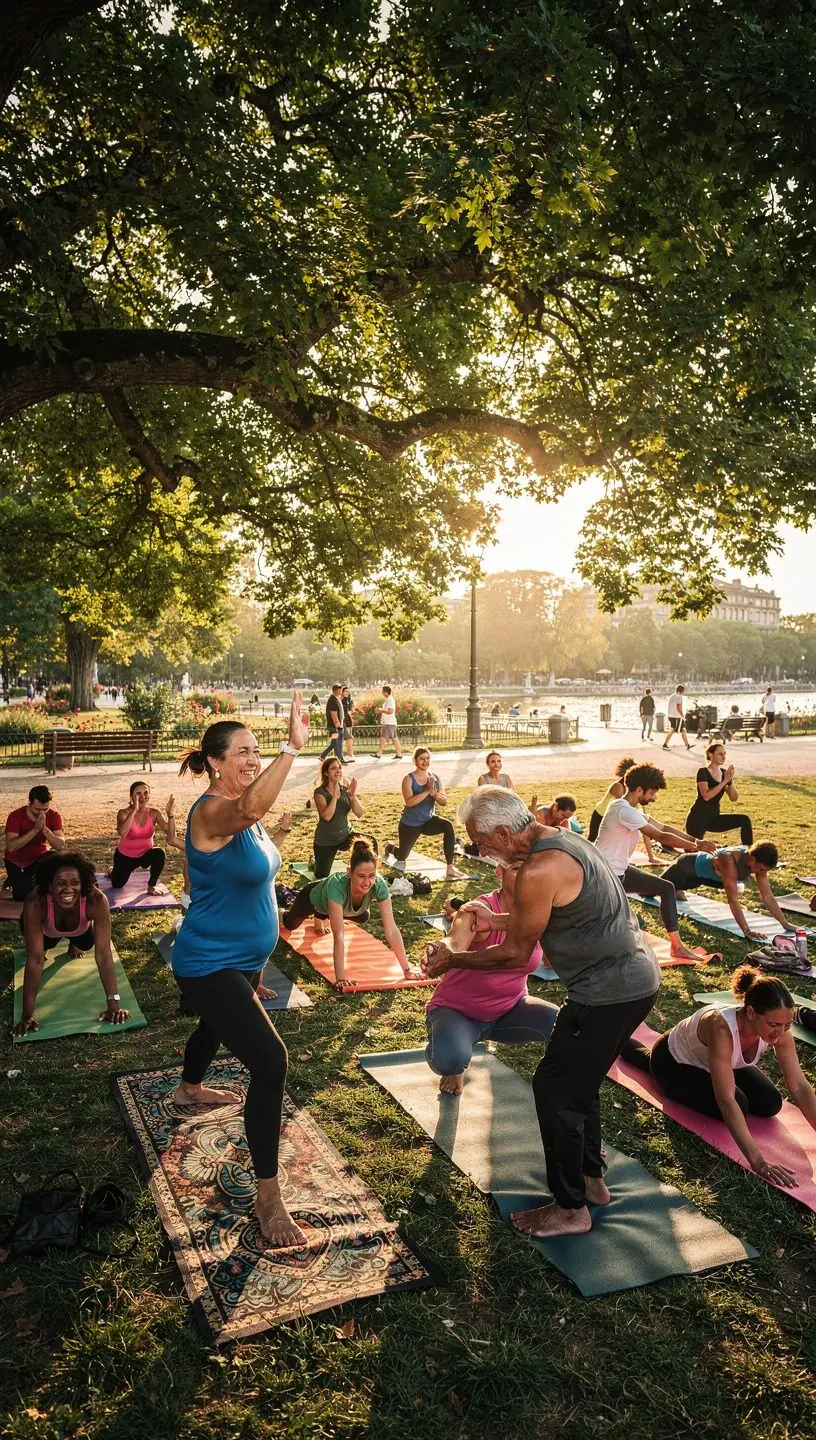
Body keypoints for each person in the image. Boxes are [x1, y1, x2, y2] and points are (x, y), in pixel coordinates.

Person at [423, 786, 661, 1238]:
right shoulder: (563, 839)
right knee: (577, 1081)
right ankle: (591, 1182)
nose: (479, 850)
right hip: (633, 982)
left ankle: (571, 1208)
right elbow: (548, 914)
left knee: (556, 1090)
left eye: (479, 840)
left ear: (500, 831)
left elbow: (515, 956)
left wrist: (453, 959)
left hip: (608, 992)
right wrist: (493, 922)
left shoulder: (538, 867)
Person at [171, 696, 309, 1249]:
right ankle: (268, 1195)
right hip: (206, 962)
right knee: (270, 1058)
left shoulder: (244, 811)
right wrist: (292, 748)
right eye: (243, 752)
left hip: (244, 958)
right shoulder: (211, 812)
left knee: (214, 1026)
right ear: (214, 762)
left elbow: (254, 828)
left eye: (257, 750)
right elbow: (249, 810)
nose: (252, 759)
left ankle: (188, 1088)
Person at [623, 967, 816, 1187]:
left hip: (715, 1061)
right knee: (739, 1105)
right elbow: (726, 1100)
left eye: (787, 1025)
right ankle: (622, 1042)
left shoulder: (778, 1028)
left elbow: (799, 1086)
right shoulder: (721, 1027)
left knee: (770, 1103)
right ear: (751, 1013)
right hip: (672, 1062)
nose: (780, 1033)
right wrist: (758, 1161)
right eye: (774, 1025)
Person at [426, 862, 558, 1095]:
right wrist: (442, 948)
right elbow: (455, 940)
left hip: (509, 1010)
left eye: (531, 868)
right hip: (457, 1011)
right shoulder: (478, 909)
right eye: (517, 868)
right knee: (450, 1059)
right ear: (499, 871)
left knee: (561, 1023)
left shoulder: (539, 911)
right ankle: (452, 1056)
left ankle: (557, 1088)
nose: (525, 875)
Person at [595, 763, 715, 962]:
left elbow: (664, 826)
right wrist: (695, 848)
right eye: (651, 792)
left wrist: (696, 841)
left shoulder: (627, 808)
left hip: (618, 870)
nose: (654, 797)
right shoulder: (624, 811)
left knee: (667, 888)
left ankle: (676, 947)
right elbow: (660, 836)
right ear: (639, 789)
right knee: (624, 924)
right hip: (605, 874)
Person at [12, 851, 129, 1036]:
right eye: (60, 883)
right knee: (39, 951)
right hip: (46, 931)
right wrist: (27, 1016)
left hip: (80, 931)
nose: (68, 889)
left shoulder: (96, 900)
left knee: (85, 944)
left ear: (83, 884)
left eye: (75, 882)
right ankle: (47, 944)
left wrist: (113, 1005)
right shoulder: (36, 902)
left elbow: (104, 954)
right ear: (49, 885)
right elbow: (34, 960)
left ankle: (72, 943)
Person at [282, 839, 419, 988]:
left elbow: (391, 929)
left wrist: (407, 970)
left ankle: (320, 917)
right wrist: (341, 978)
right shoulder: (337, 885)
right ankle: (280, 913)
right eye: (361, 876)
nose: (367, 882)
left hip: (335, 906)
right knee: (290, 924)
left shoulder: (379, 885)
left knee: (363, 916)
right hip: (312, 898)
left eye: (371, 875)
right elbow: (338, 934)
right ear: (349, 872)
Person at [659, 841, 797, 941]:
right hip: (684, 868)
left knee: (674, 889)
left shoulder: (757, 865)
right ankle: (668, 886)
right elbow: (733, 899)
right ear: (753, 859)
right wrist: (746, 930)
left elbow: (767, 896)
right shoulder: (729, 859)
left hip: (701, 878)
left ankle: (676, 889)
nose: (762, 873)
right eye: (761, 869)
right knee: (651, 891)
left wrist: (785, 924)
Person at [389, 747, 466, 878]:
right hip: (410, 823)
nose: (425, 761)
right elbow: (409, 802)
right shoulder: (408, 779)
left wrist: (434, 794)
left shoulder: (435, 778)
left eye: (427, 758)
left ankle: (450, 868)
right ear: (415, 761)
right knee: (402, 856)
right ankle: (389, 848)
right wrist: (426, 791)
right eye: (422, 759)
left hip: (428, 821)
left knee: (448, 825)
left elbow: (444, 802)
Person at [110, 782, 176, 893]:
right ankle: (112, 871)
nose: (143, 797)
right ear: (132, 797)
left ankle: (151, 886)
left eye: (146, 793)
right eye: (138, 794)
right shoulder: (123, 813)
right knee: (117, 885)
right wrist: (134, 810)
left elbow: (171, 834)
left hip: (146, 855)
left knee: (159, 853)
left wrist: (171, 815)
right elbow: (122, 833)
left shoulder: (154, 813)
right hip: (125, 857)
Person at [4, 786, 66, 902]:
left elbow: (60, 846)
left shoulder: (54, 816)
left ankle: (34, 882)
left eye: (45, 809)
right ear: (29, 803)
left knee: (57, 859)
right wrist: (35, 830)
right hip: (17, 862)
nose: (41, 813)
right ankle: (15, 879)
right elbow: (11, 847)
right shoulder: (15, 816)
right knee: (23, 897)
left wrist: (45, 830)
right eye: (37, 809)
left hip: (40, 858)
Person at [685, 742, 753, 846]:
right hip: (697, 818)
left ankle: (749, 853)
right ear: (710, 755)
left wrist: (730, 781)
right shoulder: (703, 772)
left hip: (713, 818)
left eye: (724, 754)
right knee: (693, 853)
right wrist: (724, 781)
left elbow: (733, 798)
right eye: (720, 754)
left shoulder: (723, 774)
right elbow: (706, 796)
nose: (724, 757)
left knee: (745, 820)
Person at [312, 756, 364, 878]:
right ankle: (314, 863)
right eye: (333, 768)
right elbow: (327, 816)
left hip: (346, 836)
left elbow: (359, 813)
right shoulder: (319, 793)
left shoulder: (345, 790)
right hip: (326, 840)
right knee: (321, 876)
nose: (338, 771)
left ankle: (363, 873)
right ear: (325, 772)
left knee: (370, 842)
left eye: (339, 768)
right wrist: (335, 797)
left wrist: (352, 796)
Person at [587, 756, 635, 844]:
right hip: (600, 813)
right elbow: (620, 804)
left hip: (608, 814)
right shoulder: (618, 786)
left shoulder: (629, 787)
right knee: (593, 839)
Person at [375, 684, 403, 759]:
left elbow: (390, 711)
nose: (382, 693)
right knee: (394, 738)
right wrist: (381, 713)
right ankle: (399, 754)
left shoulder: (390, 700)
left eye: (383, 691)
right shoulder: (388, 700)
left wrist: (380, 710)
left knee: (383, 738)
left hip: (389, 723)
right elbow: (387, 710)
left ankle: (379, 754)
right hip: (389, 722)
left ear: (386, 692)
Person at [663, 684, 692, 751]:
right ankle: (665, 744)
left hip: (671, 715)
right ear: (682, 691)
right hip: (676, 716)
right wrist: (682, 715)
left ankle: (687, 745)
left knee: (683, 730)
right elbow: (678, 707)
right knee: (673, 729)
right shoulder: (679, 697)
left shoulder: (672, 696)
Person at [320, 683, 345, 762]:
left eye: (340, 690)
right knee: (337, 742)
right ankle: (340, 758)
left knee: (335, 743)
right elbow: (333, 714)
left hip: (337, 725)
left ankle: (323, 756)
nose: (339, 692)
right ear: (334, 691)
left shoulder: (336, 698)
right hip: (334, 726)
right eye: (337, 691)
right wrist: (338, 725)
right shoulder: (332, 700)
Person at [341, 685, 356, 763]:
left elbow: (352, 708)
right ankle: (348, 754)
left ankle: (350, 754)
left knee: (348, 738)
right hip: (343, 721)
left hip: (348, 721)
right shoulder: (341, 700)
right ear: (342, 692)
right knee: (346, 738)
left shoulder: (349, 700)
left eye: (348, 691)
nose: (347, 692)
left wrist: (352, 711)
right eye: (346, 691)